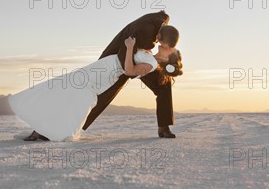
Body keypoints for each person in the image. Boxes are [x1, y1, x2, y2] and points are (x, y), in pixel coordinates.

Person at [9, 28, 182, 142]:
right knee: (64, 88)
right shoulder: (149, 52)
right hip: (102, 66)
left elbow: (129, 70)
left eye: (169, 50)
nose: (166, 47)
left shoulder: (151, 65)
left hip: (106, 74)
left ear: (167, 59)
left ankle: (48, 130)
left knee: (78, 98)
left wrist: (129, 47)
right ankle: (40, 128)